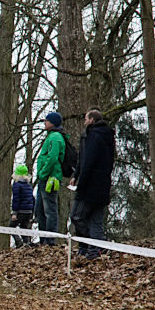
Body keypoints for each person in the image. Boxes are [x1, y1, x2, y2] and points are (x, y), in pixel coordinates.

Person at [68, 109, 115, 260]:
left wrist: (81, 182)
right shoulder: (108, 136)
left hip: (90, 186)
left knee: (76, 216)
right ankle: (94, 253)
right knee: (96, 221)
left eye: (86, 119)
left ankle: (96, 244)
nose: (84, 122)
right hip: (103, 185)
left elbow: (88, 161)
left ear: (92, 120)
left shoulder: (93, 136)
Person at [33, 112, 66, 245]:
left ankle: (50, 240)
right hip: (44, 179)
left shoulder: (55, 137)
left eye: (46, 121)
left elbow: (52, 158)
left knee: (49, 210)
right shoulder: (51, 136)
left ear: (52, 122)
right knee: (39, 211)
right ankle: (43, 239)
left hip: (50, 179)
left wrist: (42, 173)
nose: (44, 123)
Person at [9, 164, 35, 248]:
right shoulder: (28, 185)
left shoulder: (17, 184)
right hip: (28, 211)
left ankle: (19, 242)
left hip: (20, 211)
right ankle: (26, 243)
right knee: (24, 227)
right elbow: (32, 199)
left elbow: (16, 199)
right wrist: (32, 213)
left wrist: (14, 213)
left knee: (11, 227)